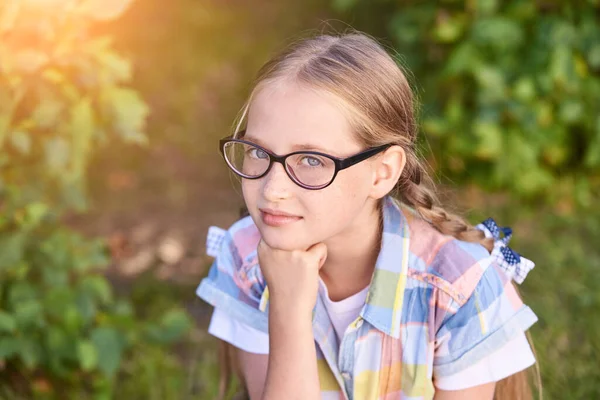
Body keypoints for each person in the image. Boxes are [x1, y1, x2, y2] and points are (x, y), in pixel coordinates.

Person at [196, 31, 538, 400]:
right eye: (258, 152)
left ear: (382, 172)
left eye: (311, 160)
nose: (272, 189)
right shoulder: (246, 258)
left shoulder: (458, 287)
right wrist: (288, 310)